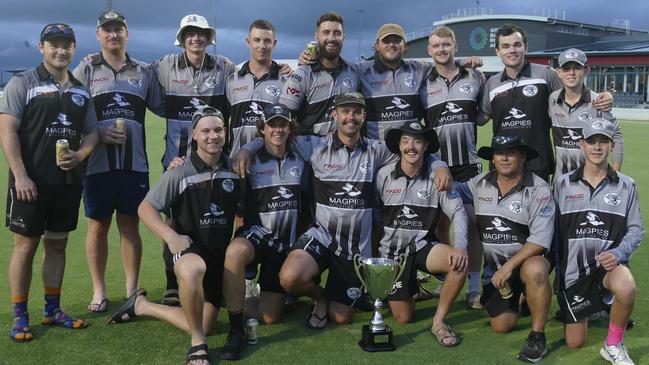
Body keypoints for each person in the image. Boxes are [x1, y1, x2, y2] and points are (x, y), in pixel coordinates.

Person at [235, 92, 451, 329]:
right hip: (322, 237)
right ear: (334, 114)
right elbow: (275, 136)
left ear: (364, 116)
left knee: (341, 317)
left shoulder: (376, 150)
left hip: (355, 249)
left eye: (357, 112)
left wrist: (440, 166)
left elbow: (412, 153)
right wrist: (247, 149)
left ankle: (334, 297)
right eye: (345, 111)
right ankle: (319, 298)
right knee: (289, 277)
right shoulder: (315, 145)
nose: (351, 117)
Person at [107, 107, 241, 365]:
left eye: (218, 130)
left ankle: (142, 306)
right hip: (185, 249)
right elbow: (145, 209)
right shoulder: (179, 171)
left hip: (217, 256)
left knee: (206, 323)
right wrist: (170, 237)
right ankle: (197, 345)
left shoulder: (234, 169)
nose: (212, 136)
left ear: (225, 132)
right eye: (205, 131)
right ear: (194, 135)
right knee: (192, 271)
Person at [0, 23, 99, 342]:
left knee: (57, 244)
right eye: (54, 44)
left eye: (67, 45)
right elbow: (7, 130)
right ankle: (20, 315)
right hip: (30, 182)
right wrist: (20, 175)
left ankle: (52, 310)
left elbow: (93, 132)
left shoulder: (81, 89)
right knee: (26, 247)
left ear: (74, 49)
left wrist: (81, 154)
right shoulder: (23, 82)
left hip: (67, 182)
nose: (61, 50)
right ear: (41, 47)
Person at [72, 9, 165, 313]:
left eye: (118, 29)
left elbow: (165, 106)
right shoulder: (85, 69)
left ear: (127, 34)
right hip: (96, 164)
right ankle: (99, 290)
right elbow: (70, 112)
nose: (113, 35)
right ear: (98, 34)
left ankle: (131, 290)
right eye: (107, 30)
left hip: (133, 164)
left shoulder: (144, 71)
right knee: (97, 226)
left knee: (130, 225)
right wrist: (97, 131)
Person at [152, 13, 237, 306]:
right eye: (190, 33)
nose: (196, 38)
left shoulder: (224, 67)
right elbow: (139, 79)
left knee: (214, 216)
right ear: (182, 38)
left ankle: (220, 277)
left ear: (208, 38)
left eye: (201, 33)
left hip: (212, 159)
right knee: (173, 222)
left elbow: (246, 83)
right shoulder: (164, 66)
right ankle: (172, 283)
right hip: (176, 161)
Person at [455, 135, 555, 362]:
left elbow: (540, 241)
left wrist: (509, 267)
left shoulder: (538, 188)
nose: (504, 157)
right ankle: (524, 299)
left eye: (511, 152)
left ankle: (538, 335)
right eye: (499, 153)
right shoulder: (479, 183)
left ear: (523, 156)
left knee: (535, 270)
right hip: (497, 271)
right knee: (501, 325)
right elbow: (451, 189)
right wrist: (440, 169)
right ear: (492, 158)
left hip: (526, 263)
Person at [554, 120, 643, 364]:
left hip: (607, 268)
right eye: (591, 141)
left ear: (612, 145)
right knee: (575, 342)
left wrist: (619, 252)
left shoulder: (627, 185)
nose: (597, 147)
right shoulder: (562, 184)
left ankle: (613, 344)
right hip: (575, 275)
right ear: (581, 145)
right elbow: (552, 232)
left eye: (603, 141)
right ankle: (597, 306)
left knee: (625, 286)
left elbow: (636, 230)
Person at [221, 105, 303, 360]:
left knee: (269, 317)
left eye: (283, 125)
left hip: (284, 247)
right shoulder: (250, 160)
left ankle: (229, 296)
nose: (278, 129)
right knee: (235, 252)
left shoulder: (301, 158)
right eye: (272, 125)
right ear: (263, 129)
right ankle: (235, 330)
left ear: (290, 128)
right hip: (258, 235)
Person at [480, 24, 613, 181]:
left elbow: (574, 92)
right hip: (503, 162)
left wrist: (604, 96)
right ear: (498, 51)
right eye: (505, 46)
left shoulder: (545, 75)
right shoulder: (492, 83)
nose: (512, 50)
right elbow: (481, 118)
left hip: (537, 162)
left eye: (517, 45)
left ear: (526, 47)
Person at [377, 122, 469, 347]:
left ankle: (439, 321)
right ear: (399, 145)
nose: (411, 147)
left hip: (421, 246)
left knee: (459, 264)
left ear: (426, 145)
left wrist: (460, 246)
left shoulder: (438, 176)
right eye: (406, 141)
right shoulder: (383, 175)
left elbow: (458, 212)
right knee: (403, 317)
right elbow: (372, 216)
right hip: (392, 253)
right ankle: (412, 288)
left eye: (417, 141)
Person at [419, 25, 486, 308]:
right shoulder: (423, 83)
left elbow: (483, 117)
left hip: (469, 167)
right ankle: (445, 279)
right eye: (436, 46)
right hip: (437, 166)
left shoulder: (476, 76)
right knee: (440, 223)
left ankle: (473, 288)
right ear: (429, 50)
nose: (442, 50)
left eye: (446, 45)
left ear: (455, 47)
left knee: (472, 223)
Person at [280, 12, 359, 136]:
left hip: (347, 151)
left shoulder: (354, 71)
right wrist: (314, 140)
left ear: (344, 37)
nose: (332, 38)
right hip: (312, 152)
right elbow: (283, 118)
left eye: (337, 33)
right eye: (326, 32)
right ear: (317, 37)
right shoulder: (302, 74)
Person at [549, 47, 623, 178]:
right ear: (559, 72)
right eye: (566, 68)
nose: (571, 73)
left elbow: (616, 135)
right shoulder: (552, 99)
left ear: (586, 71)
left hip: (591, 181)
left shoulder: (599, 102)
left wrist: (616, 174)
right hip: (561, 181)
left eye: (576, 68)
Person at [357, 23, 431, 140]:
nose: (391, 45)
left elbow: (444, 66)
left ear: (405, 46)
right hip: (377, 151)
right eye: (386, 41)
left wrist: (466, 62)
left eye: (397, 41)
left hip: (408, 149)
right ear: (377, 46)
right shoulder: (361, 70)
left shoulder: (419, 68)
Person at [226, 19, 288, 158]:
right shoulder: (232, 81)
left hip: (271, 162)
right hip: (236, 161)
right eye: (257, 40)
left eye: (267, 41)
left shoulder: (285, 81)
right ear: (248, 42)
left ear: (274, 43)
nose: (262, 45)